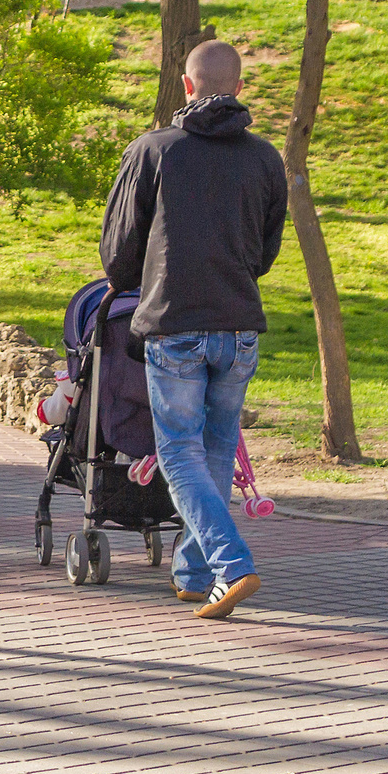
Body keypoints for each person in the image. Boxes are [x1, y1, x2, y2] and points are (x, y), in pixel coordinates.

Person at [99, 38, 288, 621]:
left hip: (174, 323)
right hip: (239, 326)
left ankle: (231, 565)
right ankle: (194, 573)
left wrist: (138, 280)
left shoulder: (153, 151)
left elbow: (119, 250)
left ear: (186, 86)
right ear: (239, 88)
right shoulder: (266, 159)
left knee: (180, 453)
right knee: (216, 449)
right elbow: (265, 251)